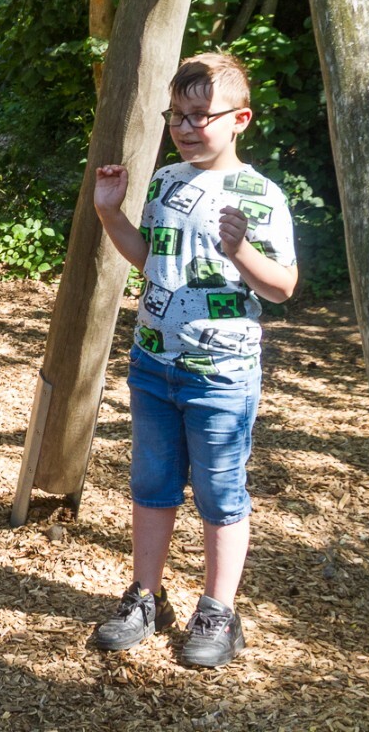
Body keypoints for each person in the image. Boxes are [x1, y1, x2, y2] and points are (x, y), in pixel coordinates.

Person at [88, 52, 297, 669]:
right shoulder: (165, 181)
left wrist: (241, 251)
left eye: (200, 115)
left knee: (220, 492)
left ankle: (218, 612)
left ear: (240, 120)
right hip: (154, 364)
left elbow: (282, 287)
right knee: (151, 485)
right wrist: (109, 212)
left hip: (223, 375)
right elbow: (149, 260)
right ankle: (146, 598)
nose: (184, 127)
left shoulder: (260, 195)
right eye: (176, 115)